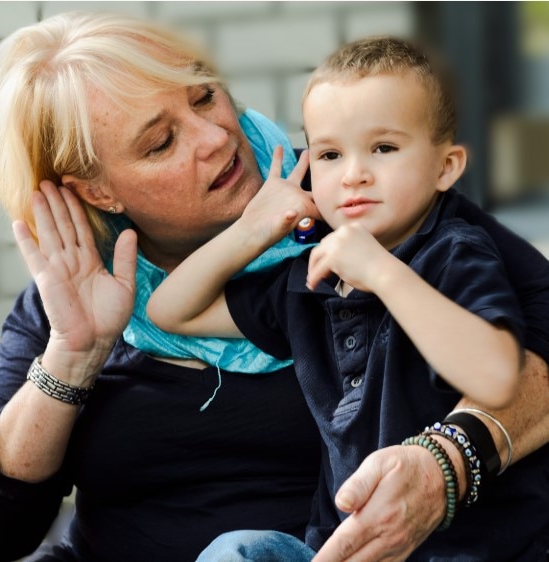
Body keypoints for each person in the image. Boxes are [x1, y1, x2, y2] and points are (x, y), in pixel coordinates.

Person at [0, 12, 548, 562]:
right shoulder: (72, 294)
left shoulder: (361, 204)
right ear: (99, 193)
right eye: (161, 143)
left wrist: (447, 462)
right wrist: (73, 357)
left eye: (204, 95)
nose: (216, 136)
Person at [147, 37, 549, 561]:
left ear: (445, 168)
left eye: (383, 148)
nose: (354, 173)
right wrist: (256, 229)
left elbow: (497, 374)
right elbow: (170, 310)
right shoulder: (307, 278)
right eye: (331, 154)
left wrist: (382, 272)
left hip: (475, 549)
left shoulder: (454, 253)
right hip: (337, 549)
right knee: (236, 551)